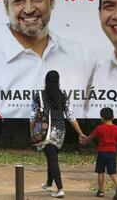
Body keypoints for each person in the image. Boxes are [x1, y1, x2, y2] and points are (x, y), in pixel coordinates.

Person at [30, 70, 86, 198]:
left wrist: (32, 132)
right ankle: (49, 184)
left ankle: (60, 189)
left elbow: (32, 117)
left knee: (52, 159)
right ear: (58, 81)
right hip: (60, 130)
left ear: (46, 81)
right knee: (52, 156)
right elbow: (71, 117)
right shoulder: (63, 95)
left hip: (46, 130)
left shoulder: (39, 96)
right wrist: (80, 133)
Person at [82, 107, 117, 199]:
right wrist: (115, 148)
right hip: (112, 153)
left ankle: (101, 191)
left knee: (100, 172)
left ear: (102, 118)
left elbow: (91, 137)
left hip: (102, 152)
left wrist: (84, 141)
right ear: (113, 117)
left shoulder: (99, 128)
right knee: (112, 172)